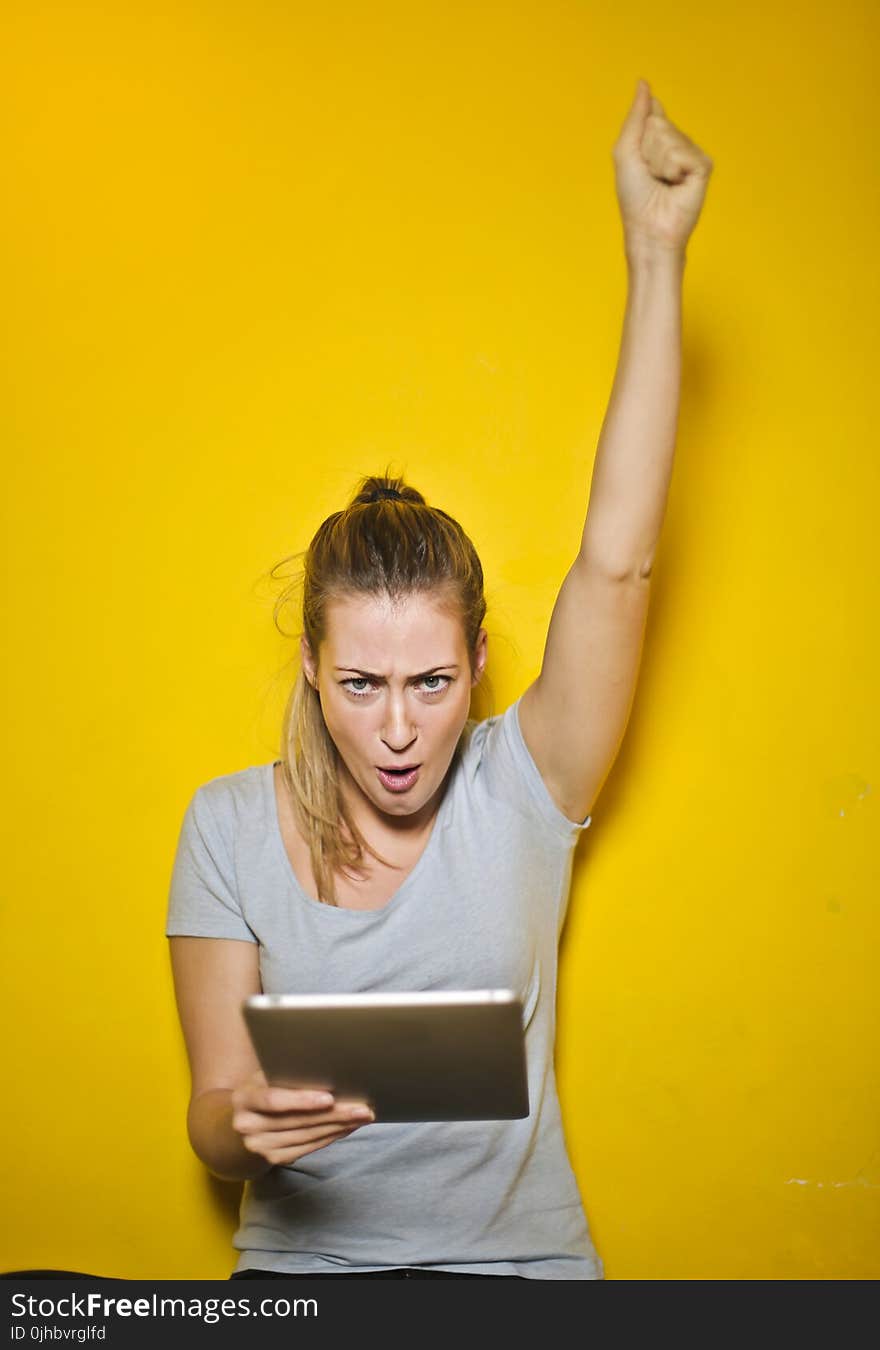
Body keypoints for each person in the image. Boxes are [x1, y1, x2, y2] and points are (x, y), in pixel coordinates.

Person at [165, 79, 713, 1280]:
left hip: (515, 1279)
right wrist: (242, 1130)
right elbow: (212, 1111)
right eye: (362, 684)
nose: (402, 729)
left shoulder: (526, 784)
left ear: (478, 664)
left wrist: (654, 253)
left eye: (432, 681)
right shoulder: (226, 828)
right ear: (310, 668)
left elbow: (618, 564)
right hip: (304, 1285)